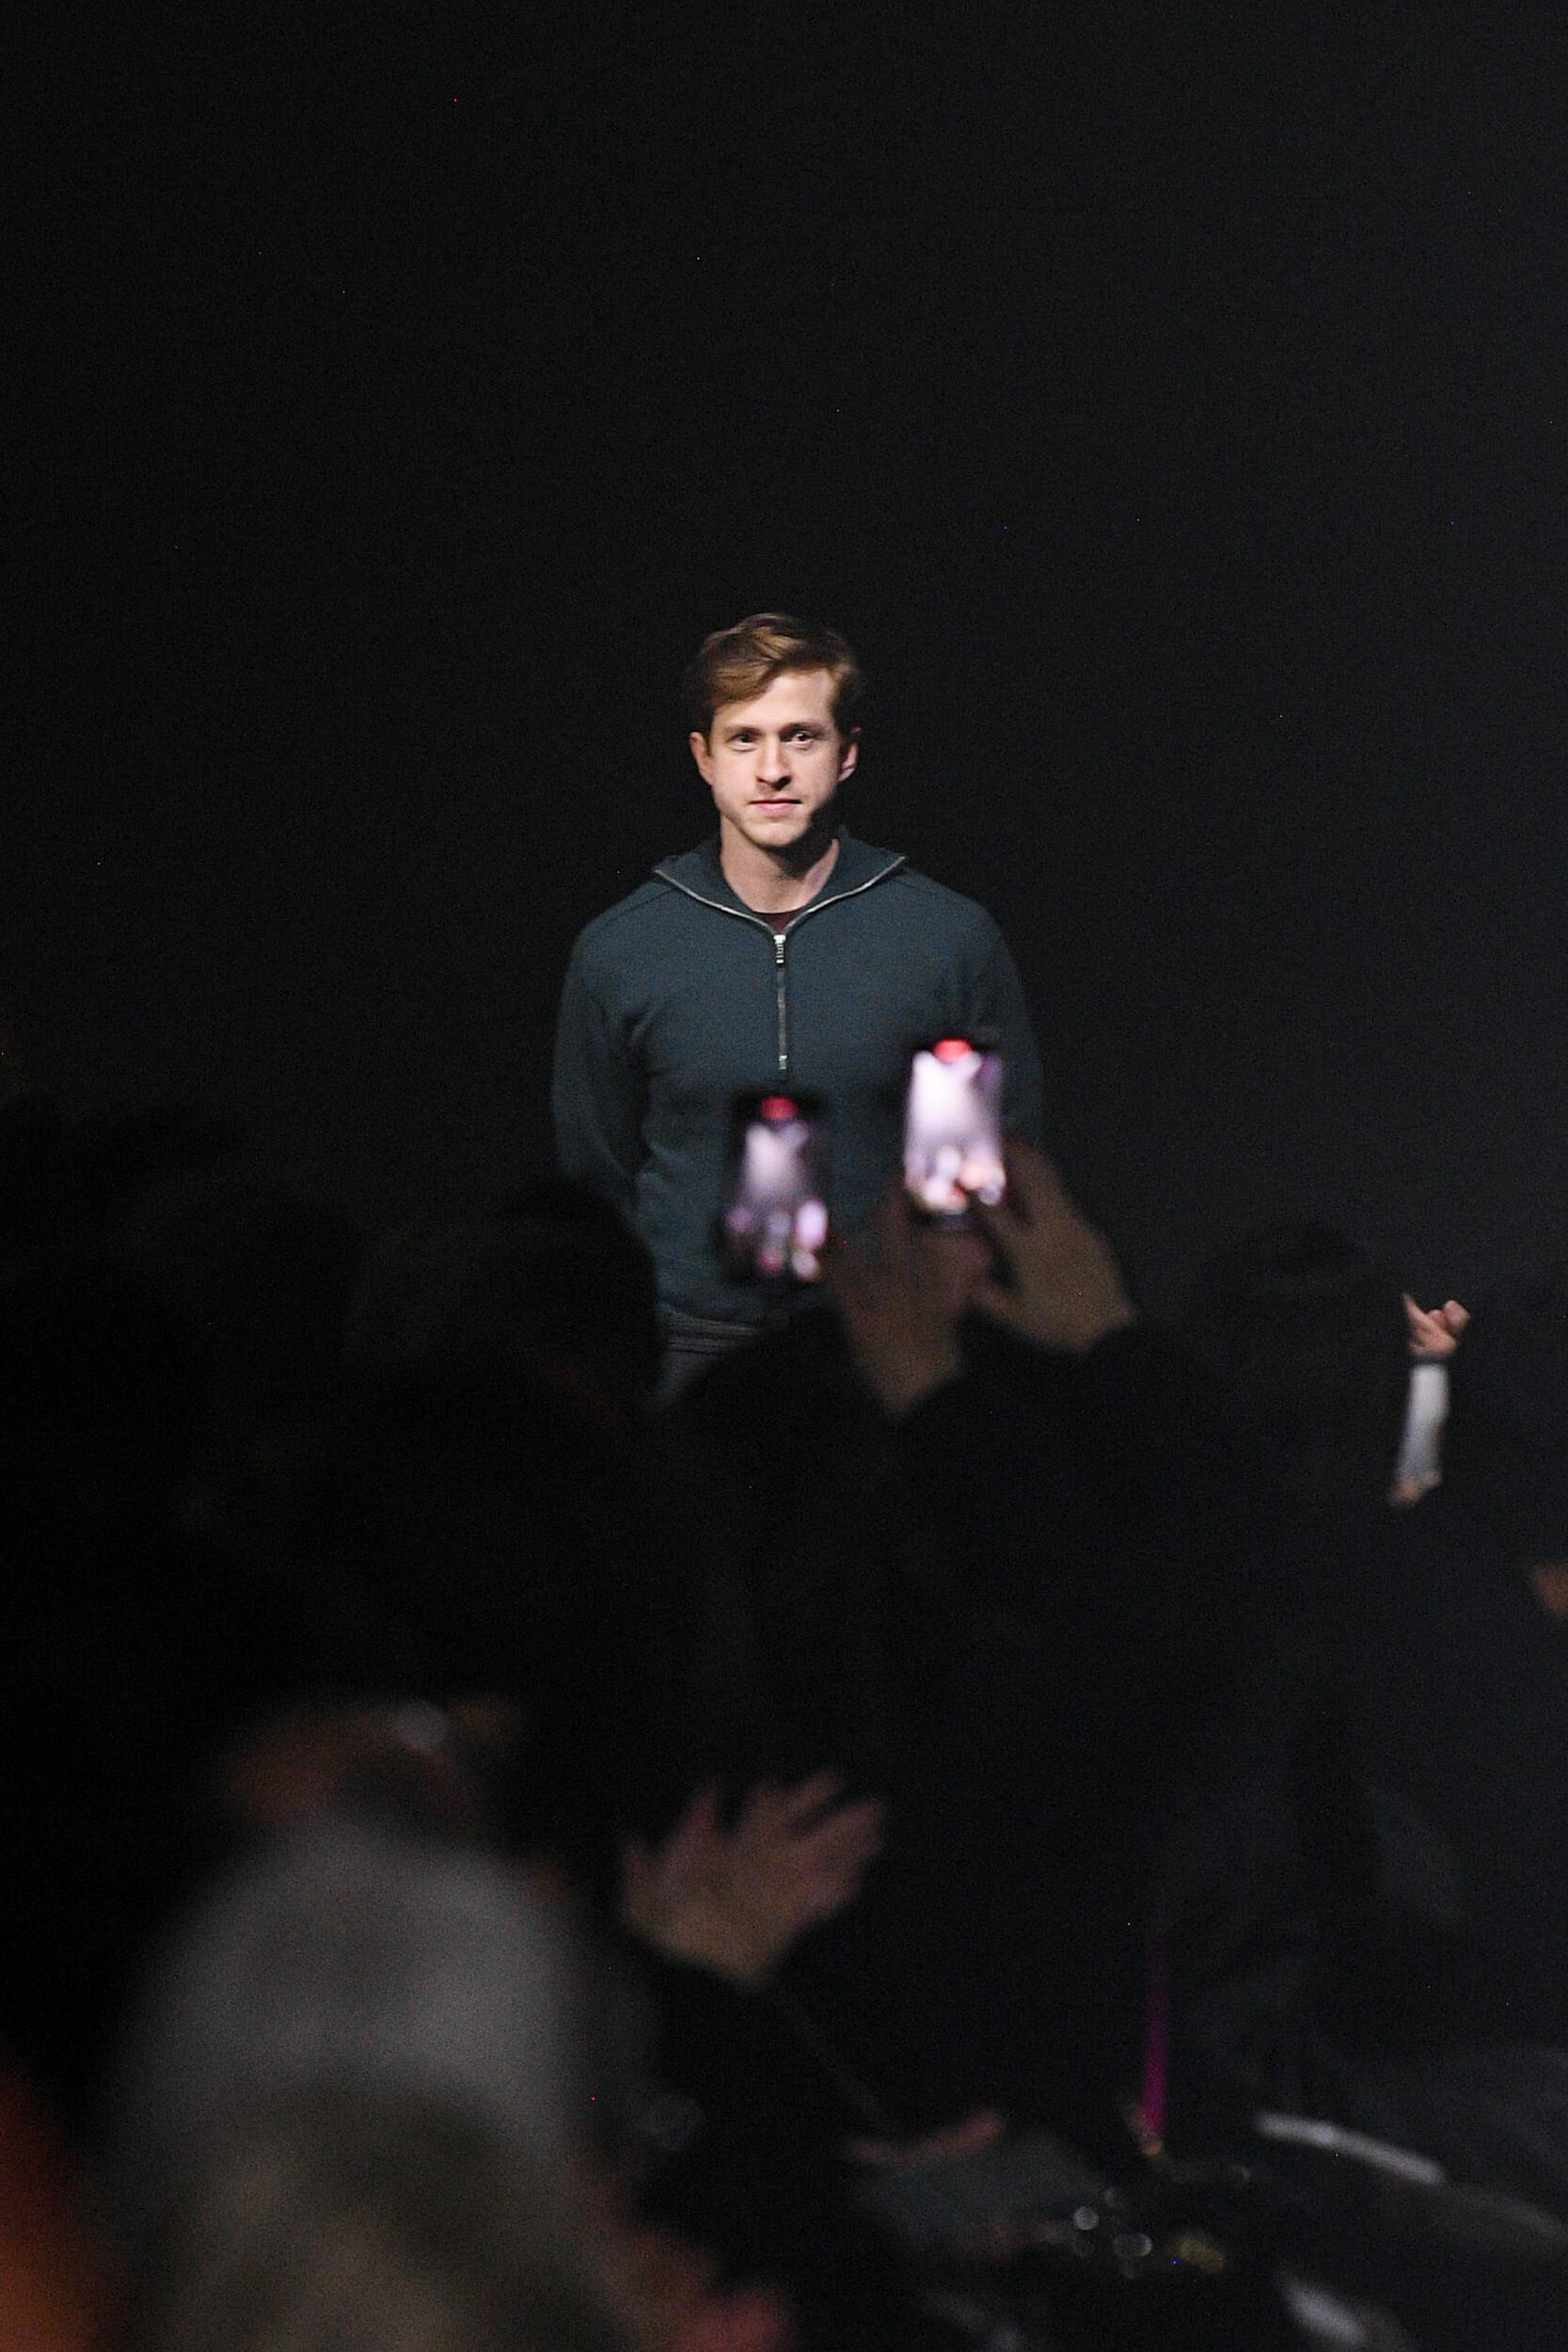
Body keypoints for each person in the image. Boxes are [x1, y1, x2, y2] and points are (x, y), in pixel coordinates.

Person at [552, 613, 1045, 1390]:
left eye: (801, 737)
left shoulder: (946, 939)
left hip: (887, 1342)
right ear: (704, 757)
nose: (772, 769)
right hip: (687, 1349)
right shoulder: (622, 950)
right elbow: (596, 1171)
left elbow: (1002, 1158)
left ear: (846, 754)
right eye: (744, 739)